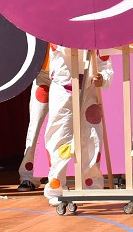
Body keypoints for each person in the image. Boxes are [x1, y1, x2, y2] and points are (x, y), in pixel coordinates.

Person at [43, 44, 112, 205]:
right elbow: (64, 48)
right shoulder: (58, 30)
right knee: (60, 139)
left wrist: (102, 77)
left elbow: (104, 62)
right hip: (64, 89)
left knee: (91, 137)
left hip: (89, 91)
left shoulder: (96, 33)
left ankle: (91, 186)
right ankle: (56, 188)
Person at [16, 56, 51, 192]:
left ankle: (65, 175)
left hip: (68, 72)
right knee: (37, 124)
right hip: (43, 74)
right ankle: (29, 176)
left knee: (67, 125)